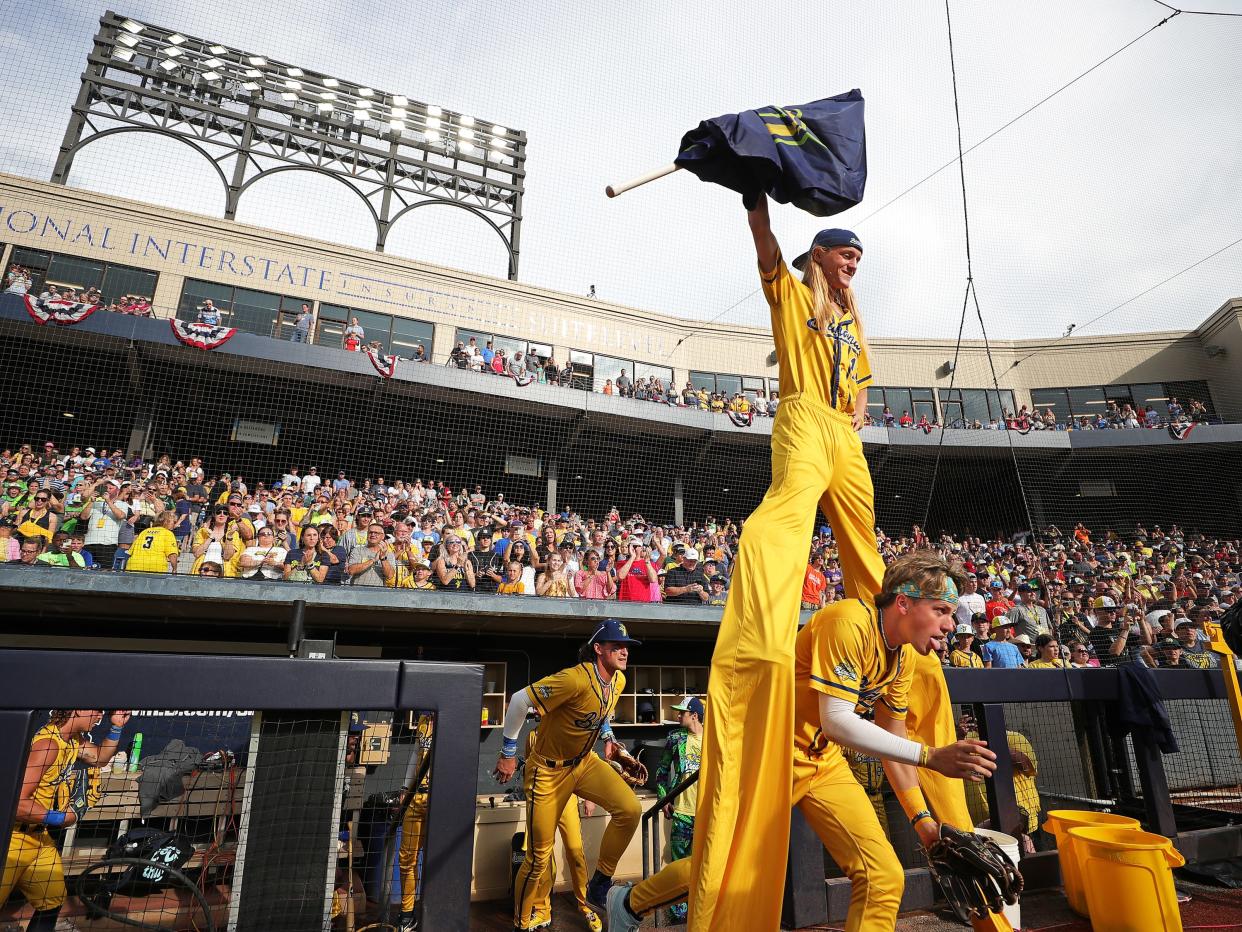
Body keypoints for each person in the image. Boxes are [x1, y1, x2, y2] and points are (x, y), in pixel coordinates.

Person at [607, 552, 997, 931]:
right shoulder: (847, 622)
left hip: (823, 761)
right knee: (725, 866)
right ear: (904, 603)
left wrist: (924, 822)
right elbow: (839, 722)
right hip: (768, 756)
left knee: (883, 876)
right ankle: (628, 903)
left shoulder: (906, 659)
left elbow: (892, 737)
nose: (951, 624)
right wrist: (930, 756)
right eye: (941, 611)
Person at [689, 198, 880, 928]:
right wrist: (755, 203)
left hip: (844, 433)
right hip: (802, 418)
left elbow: (859, 377)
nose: (853, 261)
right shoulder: (795, 296)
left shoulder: (855, 318)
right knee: (786, 516)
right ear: (818, 259)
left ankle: (887, 642)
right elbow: (767, 252)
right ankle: (765, 628)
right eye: (843, 253)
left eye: (858, 255)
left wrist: (861, 404)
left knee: (866, 541)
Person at [494, 620, 643, 930]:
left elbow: (600, 714)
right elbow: (520, 700)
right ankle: (522, 922)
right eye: (616, 645)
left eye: (626, 646)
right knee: (537, 860)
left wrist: (610, 742)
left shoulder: (617, 682)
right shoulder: (574, 679)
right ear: (598, 649)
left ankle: (600, 882)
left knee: (630, 809)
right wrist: (508, 754)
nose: (624, 651)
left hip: (583, 763)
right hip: (547, 771)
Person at [3, 709, 131, 932]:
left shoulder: (72, 742)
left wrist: (116, 726)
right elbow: (15, 804)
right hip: (12, 840)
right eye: (96, 710)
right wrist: (60, 818)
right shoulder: (48, 746)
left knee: (52, 900)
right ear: (79, 709)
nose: (100, 715)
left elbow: (100, 759)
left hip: (39, 839)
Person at [653, 696, 704, 924]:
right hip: (682, 813)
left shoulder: (714, 739)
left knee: (704, 864)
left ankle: (702, 908)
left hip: (706, 813)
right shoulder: (675, 739)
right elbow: (662, 772)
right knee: (679, 866)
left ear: (694, 715)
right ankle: (679, 918)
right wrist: (664, 799)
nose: (678, 715)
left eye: (682, 712)